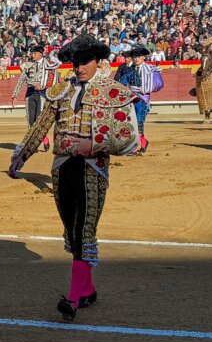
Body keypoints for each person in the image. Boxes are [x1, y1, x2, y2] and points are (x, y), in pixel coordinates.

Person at [8, 34, 138, 322]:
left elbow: (130, 140)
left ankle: (74, 299)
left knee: (83, 231)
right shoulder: (60, 92)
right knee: (71, 229)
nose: (79, 68)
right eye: (76, 63)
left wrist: (92, 146)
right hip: (62, 167)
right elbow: (40, 126)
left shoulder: (114, 91)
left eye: (85, 62)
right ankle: (87, 290)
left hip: (93, 169)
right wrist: (21, 155)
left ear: (97, 61)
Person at [115, 43, 163, 153]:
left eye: (138, 57)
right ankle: (142, 141)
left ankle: (137, 145)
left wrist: (146, 89)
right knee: (132, 122)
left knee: (139, 120)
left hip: (142, 99)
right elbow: (122, 82)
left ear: (143, 57)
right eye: (134, 57)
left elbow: (159, 84)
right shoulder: (129, 70)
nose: (136, 59)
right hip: (131, 98)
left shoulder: (151, 69)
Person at [12, 44, 61, 152]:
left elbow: (54, 80)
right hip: (30, 94)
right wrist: (15, 95)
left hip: (43, 95)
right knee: (31, 122)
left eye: (35, 53)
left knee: (39, 120)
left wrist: (44, 87)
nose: (32, 55)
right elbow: (21, 81)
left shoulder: (49, 65)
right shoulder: (28, 66)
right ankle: (31, 145)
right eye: (32, 53)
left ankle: (43, 138)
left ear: (41, 54)